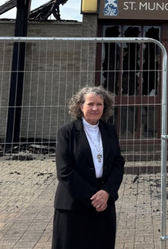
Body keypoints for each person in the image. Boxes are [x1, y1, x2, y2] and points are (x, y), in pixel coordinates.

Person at [52, 85, 125, 249]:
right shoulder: (67, 132)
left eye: (99, 104)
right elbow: (64, 170)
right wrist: (94, 197)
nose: (95, 108)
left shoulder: (109, 130)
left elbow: (118, 163)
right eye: (90, 104)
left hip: (104, 202)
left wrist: (107, 192)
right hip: (74, 204)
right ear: (80, 106)